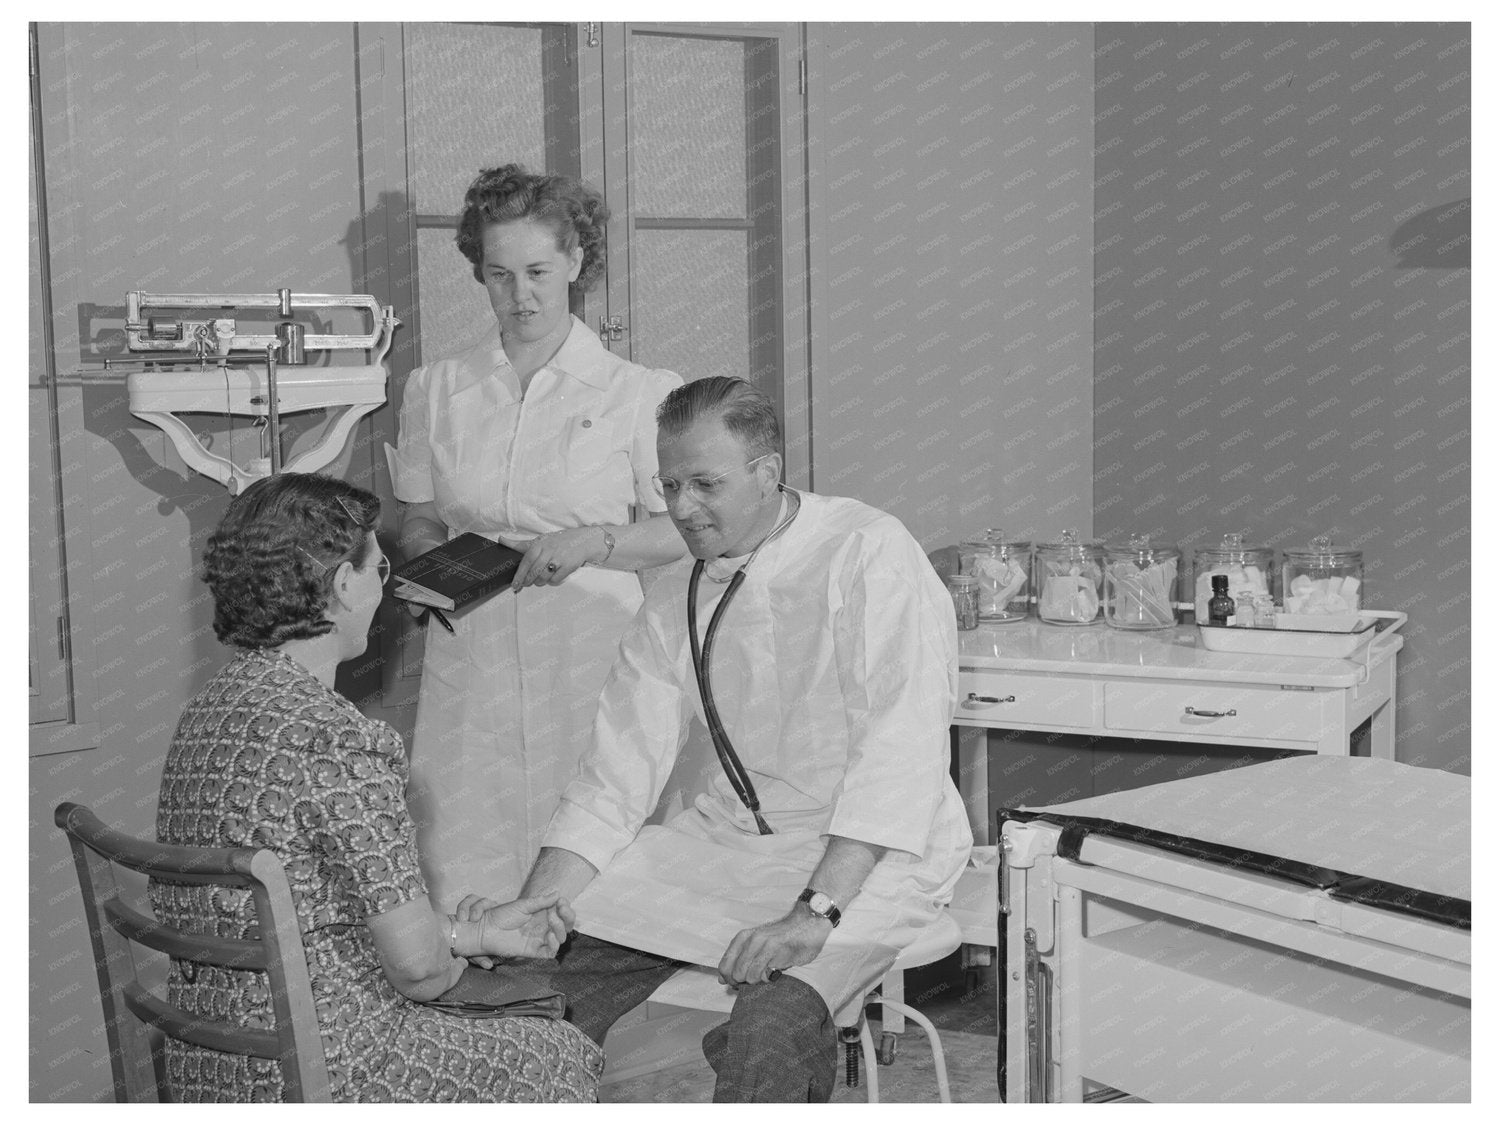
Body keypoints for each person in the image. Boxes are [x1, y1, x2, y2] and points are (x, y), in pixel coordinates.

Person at [500, 377, 973, 1101]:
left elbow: (900, 752)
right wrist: (533, 909)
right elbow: (613, 775)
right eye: (669, 485)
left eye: (705, 483)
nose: (682, 508)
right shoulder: (675, 590)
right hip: (725, 847)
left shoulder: (867, 551)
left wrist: (813, 914)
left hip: (869, 854)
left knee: (769, 1026)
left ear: (768, 473)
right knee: (527, 987)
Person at [151, 473, 603, 1102]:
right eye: (380, 568)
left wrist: (474, 933)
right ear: (341, 585)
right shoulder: (339, 740)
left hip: (211, 1063)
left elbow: (316, 913)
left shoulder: (207, 715)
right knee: (559, 1052)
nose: (385, 587)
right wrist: (447, 957)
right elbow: (418, 972)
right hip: (331, 1066)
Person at [386, 164, 686, 912]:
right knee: (468, 848)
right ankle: (479, 1010)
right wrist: (429, 564)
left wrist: (596, 541)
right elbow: (419, 513)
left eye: (538, 272)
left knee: (592, 845)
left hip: (592, 645)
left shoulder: (637, 392)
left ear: (577, 263)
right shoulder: (438, 388)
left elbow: (682, 531)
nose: (520, 296)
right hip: (474, 646)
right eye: (498, 275)